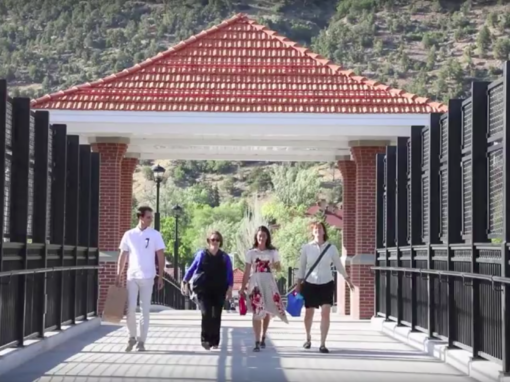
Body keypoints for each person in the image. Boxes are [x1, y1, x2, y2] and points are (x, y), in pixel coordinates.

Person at [296, 221, 354, 353]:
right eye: (315, 229)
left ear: (324, 231)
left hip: (326, 283)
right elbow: (302, 267)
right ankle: (308, 337)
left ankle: (322, 343)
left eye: (320, 228)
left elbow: (339, 265)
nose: (317, 230)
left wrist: (347, 280)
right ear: (312, 232)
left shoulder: (331, 248)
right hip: (310, 283)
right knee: (309, 313)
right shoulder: (306, 248)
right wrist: (298, 285)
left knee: (325, 313)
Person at [116, 206, 165, 352]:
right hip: (132, 277)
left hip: (148, 277)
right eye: (148, 217)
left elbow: (161, 256)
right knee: (130, 308)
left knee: (145, 310)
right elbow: (123, 256)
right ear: (141, 217)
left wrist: (160, 276)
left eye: (151, 217)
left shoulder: (155, 235)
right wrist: (119, 275)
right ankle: (131, 336)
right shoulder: (129, 235)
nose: (151, 220)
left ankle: (141, 341)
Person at [181, 231, 233, 350]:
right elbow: (192, 268)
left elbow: (230, 274)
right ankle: (205, 340)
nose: (215, 242)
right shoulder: (202, 255)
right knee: (206, 313)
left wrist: (230, 288)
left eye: (217, 240)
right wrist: (185, 281)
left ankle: (214, 341)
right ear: (208, 241)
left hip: (219, 289)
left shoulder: (225, 257)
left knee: (216, 315)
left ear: (220, 242)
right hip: (203, 289)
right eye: (212, 239)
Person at [240, 226, 288, 352]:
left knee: (266, 310)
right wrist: (242, 288)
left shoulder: (273, 252)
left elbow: (278, 268)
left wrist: (274, 264)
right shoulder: (251, 253)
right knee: (257, 311)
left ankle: (263, 335)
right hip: (255, 282)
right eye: (260, 235)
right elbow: (246, 271)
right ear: (256, 237)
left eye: (264, 236)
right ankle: (256, 340)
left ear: (267, 237)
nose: (262, 238)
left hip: (268, 281)